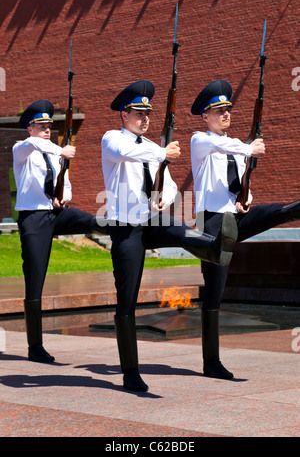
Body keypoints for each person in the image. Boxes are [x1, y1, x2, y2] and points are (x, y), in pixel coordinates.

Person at [101, 80, 239, 392]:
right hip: (125, 228)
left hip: (150, 219)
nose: (144, 118)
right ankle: (130, 371)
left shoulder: (153, 149)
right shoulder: (112, 139)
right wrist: (162, 151)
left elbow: (171, 184)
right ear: (124, 115)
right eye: (138, 113)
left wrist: (167, 196)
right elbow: (127, 152)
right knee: (127, 299)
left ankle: (216, 248)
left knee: (182, 230)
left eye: (147, 113)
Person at [190, 79, 300, 380]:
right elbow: (221, 144)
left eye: (227, 109)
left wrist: (245, 199)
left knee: (277, 212)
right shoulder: (200, 141)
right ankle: (211, 361)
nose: (225, 114)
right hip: (211, 223)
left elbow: (238, 188)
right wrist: (249, 147)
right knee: (214, 293)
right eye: (218, 110)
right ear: (205, 116)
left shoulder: (237, 149)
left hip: (233, 217)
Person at [13, 100, 107, 363]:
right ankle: (35, 346)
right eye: (41, 126)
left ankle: (128, 230)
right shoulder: (22, 148)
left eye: (48, 126)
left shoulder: (55, 153)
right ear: (29, 128)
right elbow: (36, 145)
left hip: (56, 213)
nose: (46, 130)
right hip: (33, 218)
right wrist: (62, 149)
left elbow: (64, 182)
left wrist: (62, 198)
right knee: (35, 278)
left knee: (93, 220)